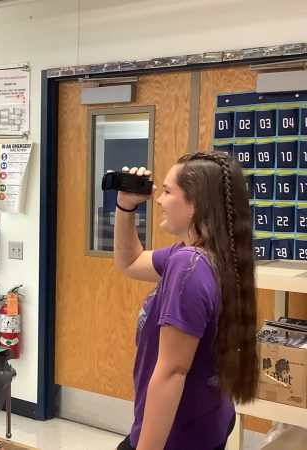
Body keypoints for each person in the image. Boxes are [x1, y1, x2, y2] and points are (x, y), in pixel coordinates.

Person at [113, 152, 258, 450]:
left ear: (196, 204)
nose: (159, 200)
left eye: (167, 192)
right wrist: (125, 207)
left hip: (176, 437)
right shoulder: (211, 253)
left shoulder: (189, 266)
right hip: (208, 424)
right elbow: (130, 261)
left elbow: (172, 372)